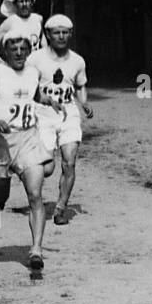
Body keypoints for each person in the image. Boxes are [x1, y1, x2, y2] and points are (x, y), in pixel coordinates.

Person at [0, 29, 63, 270]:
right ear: (5, 52)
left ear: (29, 51)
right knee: (1, 192)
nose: (19, 53)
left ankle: (36, 250)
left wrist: (48, 100)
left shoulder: (33, 72)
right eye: (14, 49)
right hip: (2, 142)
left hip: (29, 138)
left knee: (35, 195)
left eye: (23, 49)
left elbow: (34, 93)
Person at [32, 15, 93, 225]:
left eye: (65, 32)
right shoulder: (36, 59)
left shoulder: (77, 60)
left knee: (69, 162)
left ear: (70, 34)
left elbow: (80, 85)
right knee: (47, 168)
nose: (61, 36)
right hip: (42, 114)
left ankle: (60, 208)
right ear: (48, 35)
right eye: (56, 32)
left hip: (69, 114)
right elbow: (27, 87)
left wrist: (84, 103)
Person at [0, 0, 43, 64]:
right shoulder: (10, 22)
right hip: (16, 68)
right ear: (15, 4)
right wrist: (2, 63)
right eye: (21, 1)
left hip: (35, 66)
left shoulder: (37, 19)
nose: (24, 4)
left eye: (27, 1)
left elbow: (43, 44)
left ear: (31, 3)